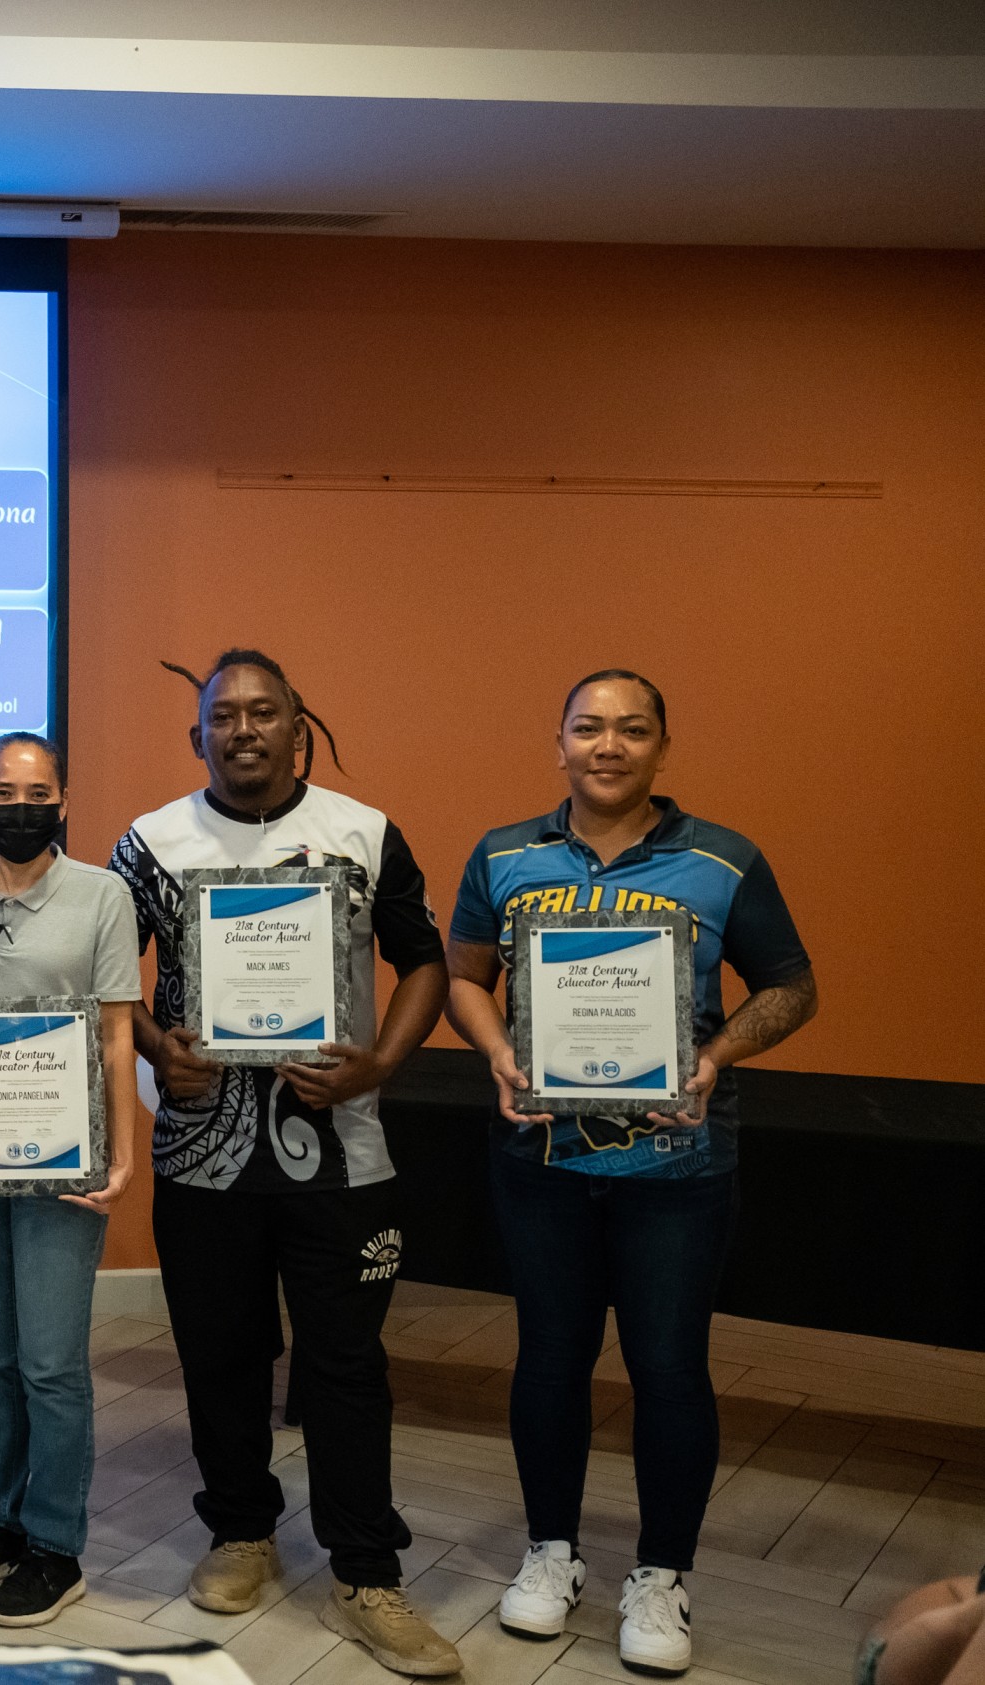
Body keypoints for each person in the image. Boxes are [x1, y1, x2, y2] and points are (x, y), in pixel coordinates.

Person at [442, 670, 816, 1677]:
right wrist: (493, 1050)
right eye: (587, 726)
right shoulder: (501, 855)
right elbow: (461, 977)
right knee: (551, 1358)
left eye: (631, 728)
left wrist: (710, 1056)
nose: (607, 745)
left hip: (676, 1162)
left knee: (665, 1366)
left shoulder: (721, 859)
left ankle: (659, 1573)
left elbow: (790, 984)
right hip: (538, 1156)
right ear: (556, 740)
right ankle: (549, 1551)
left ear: (660, 746)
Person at [108, 648, 459, 1677]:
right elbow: (99, 972)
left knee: (345, 1365)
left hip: (340, 1157)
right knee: (220, 1355)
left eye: (264, 712)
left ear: (297, 727)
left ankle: (366, 1571)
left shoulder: (362, 831)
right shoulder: (149, 841)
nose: (244, 729)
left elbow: (424, 959)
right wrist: (153, 1048)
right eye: (225, 715)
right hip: (199, 1154)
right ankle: (240, 1530)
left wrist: (377, 1065)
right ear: (198, 735)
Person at [0, 733, 148, 1626]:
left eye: (37, 790)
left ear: (63, 799)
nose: (20, 804)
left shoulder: (103, 896)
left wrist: (122, 1156)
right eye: (2, 791)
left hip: (64, 1162)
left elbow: (118, 1034)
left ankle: (55, 1544)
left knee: (51, 1363)